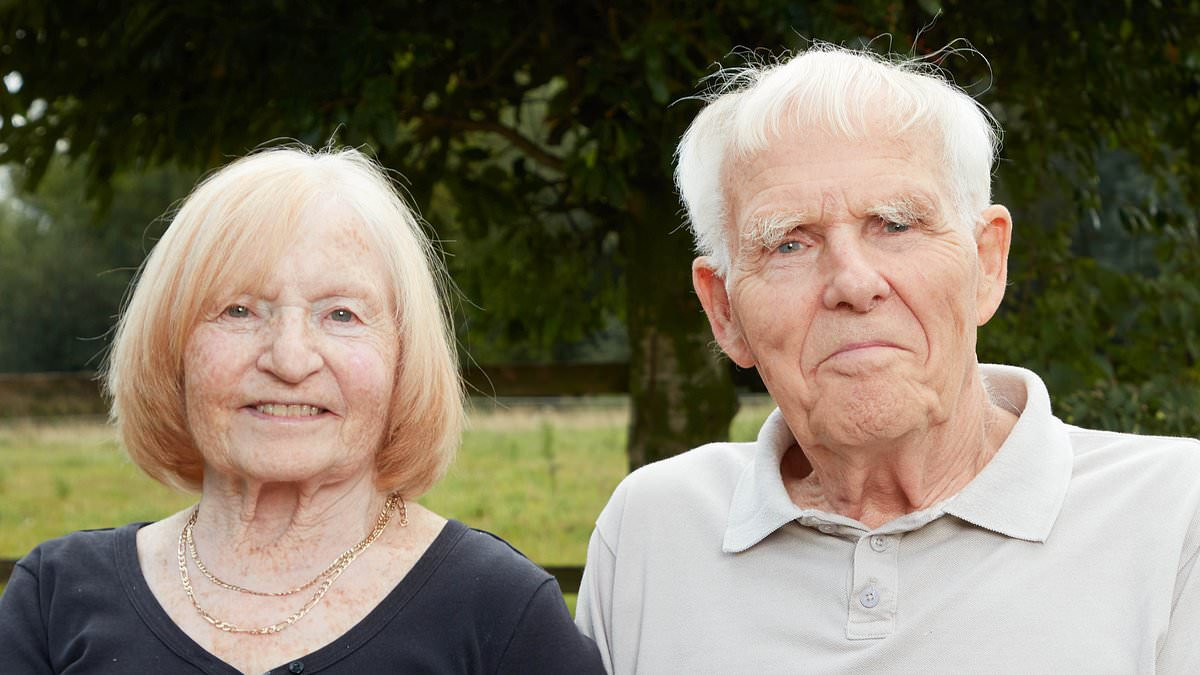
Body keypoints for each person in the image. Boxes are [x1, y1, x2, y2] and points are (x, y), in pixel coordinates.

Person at [576, 45, 1200, 673]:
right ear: (724, 312)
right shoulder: (652, 531)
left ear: (987, 264)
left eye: (895, 225)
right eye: (789, 243)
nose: (853, 283)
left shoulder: (1175, 516)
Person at [0, 146, 604, 674]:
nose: (290, 359)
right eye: (239, 310)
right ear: (172, 348)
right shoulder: (54, 599)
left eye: (341, 314)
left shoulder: (500, 611)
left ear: (403, 358)